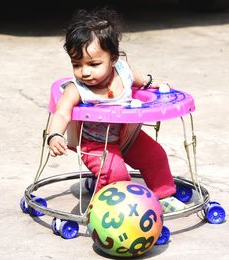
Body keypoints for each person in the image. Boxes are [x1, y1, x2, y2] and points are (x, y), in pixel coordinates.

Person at [47, 8, 185, 213]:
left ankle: (163, 195)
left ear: (113, 59)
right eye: (76, 64)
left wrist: (150, 83)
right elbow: (61, 113)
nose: (84, 72)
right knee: (115, 172)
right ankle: (110, 209)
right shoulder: (76, 89)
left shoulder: (122, 70)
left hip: (127, 135)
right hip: (94, 143)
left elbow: (136, 79)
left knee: (155, 155)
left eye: (93, 64)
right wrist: (55, 135)